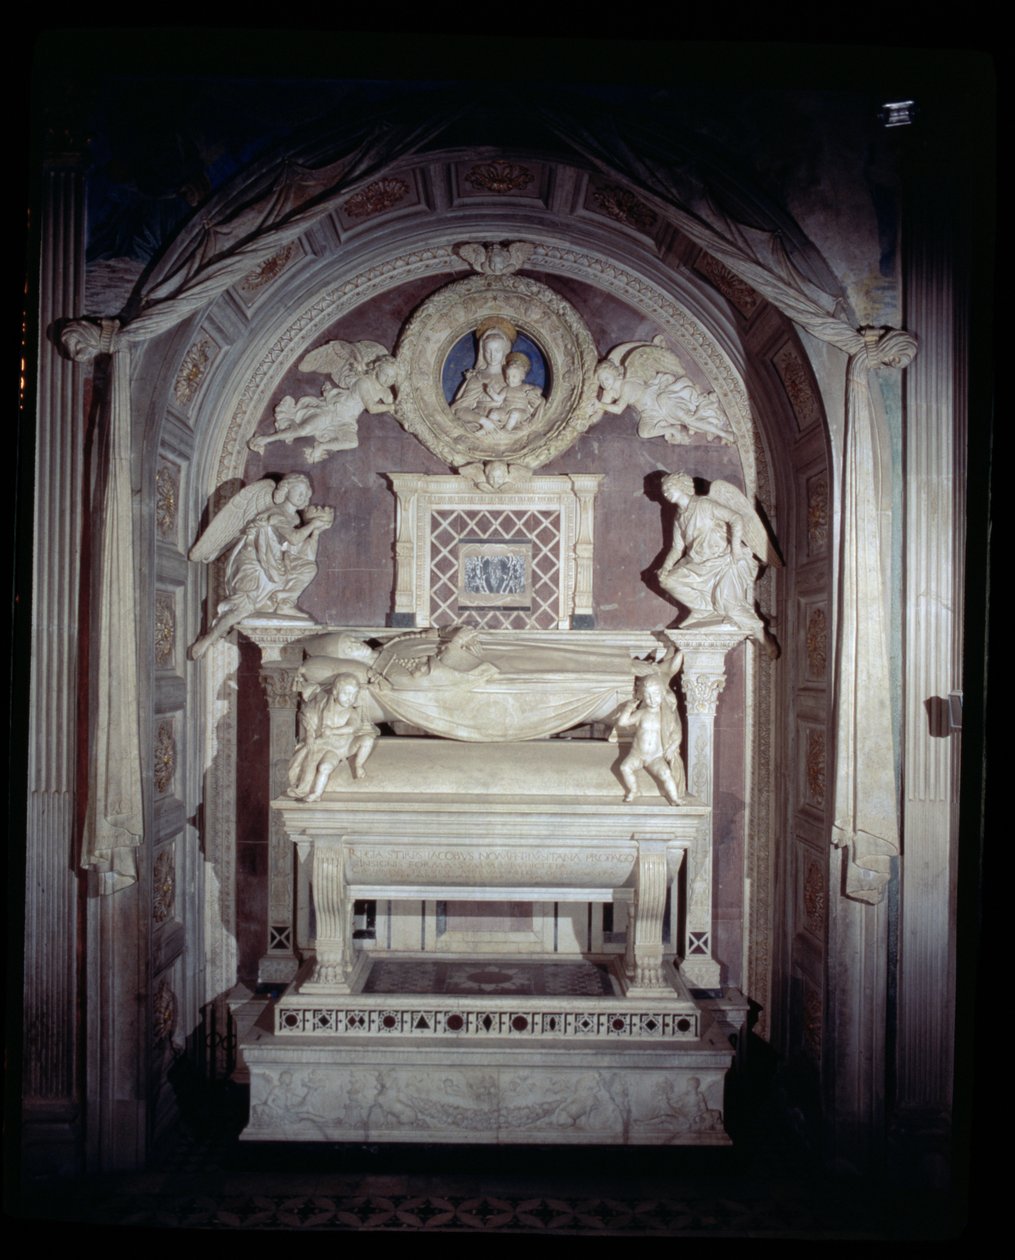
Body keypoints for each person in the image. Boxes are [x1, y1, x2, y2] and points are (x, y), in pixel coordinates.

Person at [190, 474, 332, 659]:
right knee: (244, 606)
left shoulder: (295, 520)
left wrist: (316, 534)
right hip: (253, 562)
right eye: (300, 491)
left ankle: (283, 602)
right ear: (286, 489)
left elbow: (300, 553)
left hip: (274, 564)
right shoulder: (276, 513)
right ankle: (208, 640)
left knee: (308, 568)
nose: (303, 496)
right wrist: (313, 524)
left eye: (307, 493)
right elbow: (294, 537)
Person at [658, 472, 766, 646]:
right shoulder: (679, 517)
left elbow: (736, 518)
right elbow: (677, 548)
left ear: (682, 486)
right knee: (668, 581)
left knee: (730, 607)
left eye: (669, 488)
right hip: (697, 564)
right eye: (663, 490)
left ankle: (762, 638)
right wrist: (665, 567)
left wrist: (736, 549)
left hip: (724, 561)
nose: (665, 492)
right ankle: (703, 610)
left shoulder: (704, 505)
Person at [287, 673, 379, 801]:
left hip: (346, 746)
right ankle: (316, 794)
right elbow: (307, 717)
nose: (350, 698)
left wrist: (333, 731)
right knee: (324, 767)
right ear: (335, 692)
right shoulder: (324, 705)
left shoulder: (352, 712)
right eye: (346, 693)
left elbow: (352, 728)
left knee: (368, 739)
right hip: (329, 749)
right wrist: (309, 734)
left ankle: (358, 765)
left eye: (354, 695)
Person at [610, 670, 686, 806]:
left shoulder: (666, 716)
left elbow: (676, 734)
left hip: (655, 757)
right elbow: (622, 722)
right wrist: (628, 708)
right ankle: (634, 790)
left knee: (666, 773)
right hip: (637, 754)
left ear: (662, 693)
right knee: (624, 767)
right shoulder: (641, 713)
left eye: (655, 694)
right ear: (643, 697)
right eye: (647, 696)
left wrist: (672, 747)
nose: (651, 699)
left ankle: (675, 798)